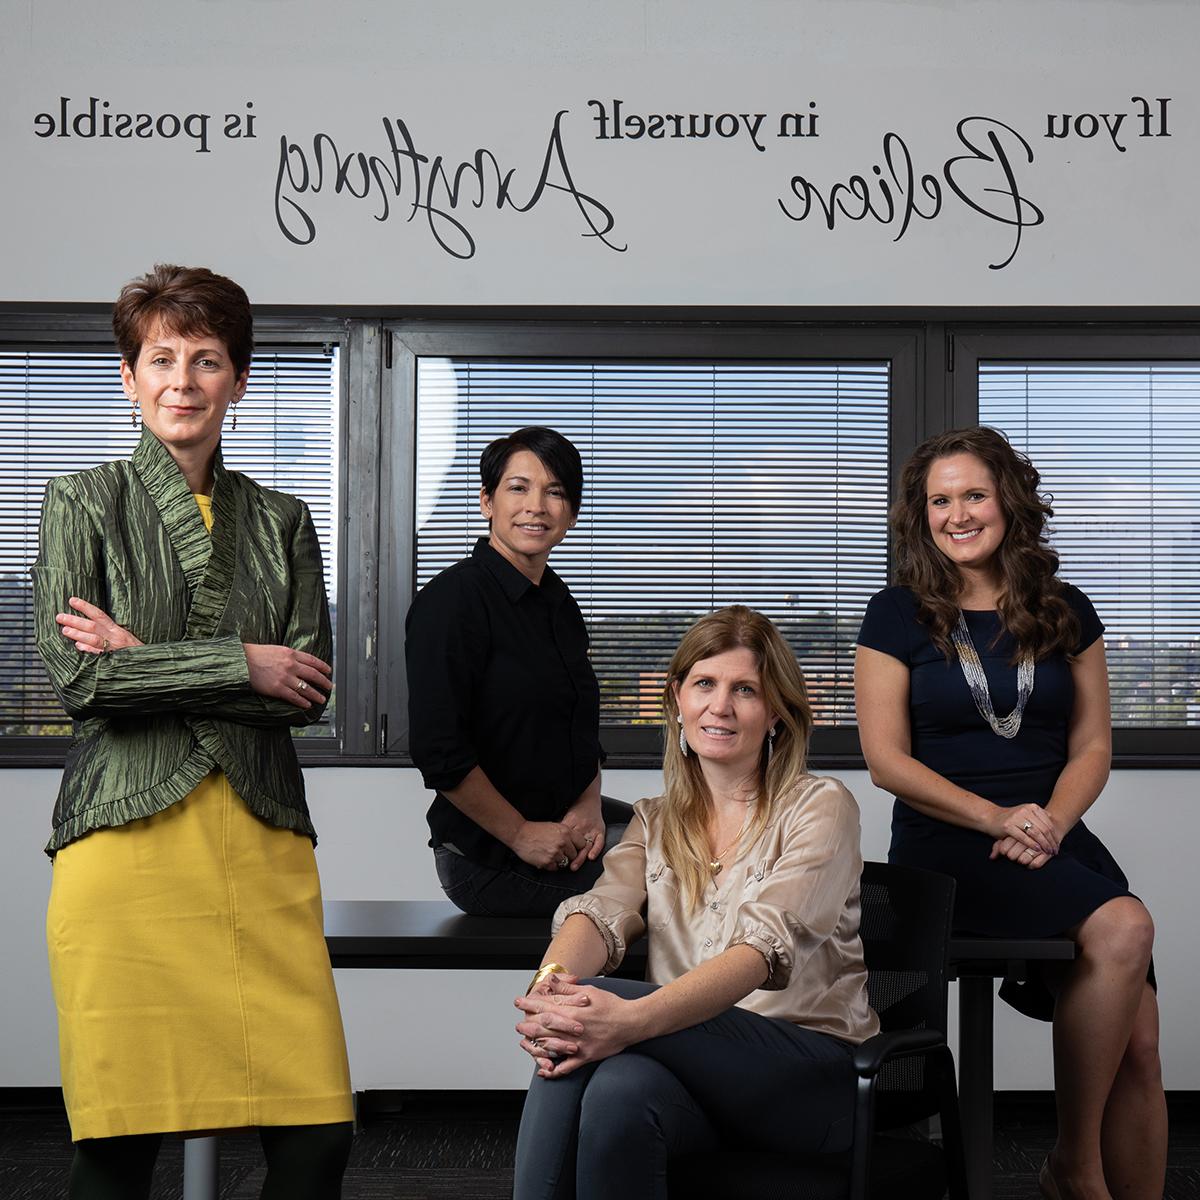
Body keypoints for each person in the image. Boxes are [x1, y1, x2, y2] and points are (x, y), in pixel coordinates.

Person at [33, 265, 354, 1200]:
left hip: (260, 847)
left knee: (316, 1138)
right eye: (160, 357)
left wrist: (151, 657)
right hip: (124, 854)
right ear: (130, 379)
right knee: (119, 1145)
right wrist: (235, 662)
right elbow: (80, 682)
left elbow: (309, 693)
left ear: (238, 381)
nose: (183, 379)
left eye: (206, 359)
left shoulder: (285, 520)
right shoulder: (83, 501)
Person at [854, 426, 1165, 1200]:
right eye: (939, 501)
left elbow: (1092, 745)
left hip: (1055, 832)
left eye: (973, 496)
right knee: (1125, 925)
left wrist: (1051, 822)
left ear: (1009, 504)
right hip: (948, 842)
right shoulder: (897, 613)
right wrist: (995, 819)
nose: (957, 514)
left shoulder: (1067, 609)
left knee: (1143, 1047)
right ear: (920, 515)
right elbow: (887, 760)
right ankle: (1074, 1166)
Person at [510, 606, 878, 1200]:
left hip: (813, 1083)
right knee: (616, 1089)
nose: (721, 706)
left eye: (746, 690)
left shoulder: (821, 806)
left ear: (777, 711)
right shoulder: (654, 821)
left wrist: (626, 1019)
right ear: (676, 698)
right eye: (704, 684)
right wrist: (549, 990)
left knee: (591, 1012)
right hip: (690, 1076)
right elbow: (599, 914)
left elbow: (762, 951)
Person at [405, 426, 629, 916]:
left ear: (571, 512)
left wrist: (588, 805)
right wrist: (522, 834)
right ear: (487, 502)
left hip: (566, 823)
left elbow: (578, 722)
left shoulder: (558, 600)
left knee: (694, 849)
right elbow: (439, 752)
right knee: (677, 897)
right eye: (519, 487)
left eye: (555, 492)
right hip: (491, 857)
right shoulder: (451, 601)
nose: (537, 506)